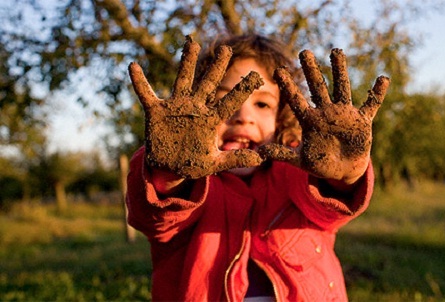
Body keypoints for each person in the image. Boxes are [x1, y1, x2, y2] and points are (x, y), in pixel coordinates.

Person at [126, 33, 389, 301]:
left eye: (262, 104)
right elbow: (157, 218)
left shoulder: (296, 177)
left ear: (282, 117)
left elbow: (330, 207)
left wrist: (344, 176)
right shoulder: (194, 188)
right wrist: (172, 173)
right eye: (224, 100)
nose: (243, 116)